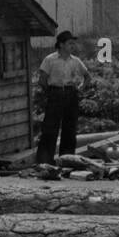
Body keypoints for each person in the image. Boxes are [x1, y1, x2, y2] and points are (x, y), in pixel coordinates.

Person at [35, 30, 90, 166]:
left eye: (73, 43)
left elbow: (87, 76)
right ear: (61, 45)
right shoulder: (50, 59)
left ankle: (67, 161)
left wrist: (79, 89)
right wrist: (51, 93)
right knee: (50, 129)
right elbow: (42, 80)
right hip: (55, 93)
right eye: (70, 43)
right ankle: (44, 161)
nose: (73, 46)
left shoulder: (75, 61)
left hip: (71, 94)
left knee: (70, 129)